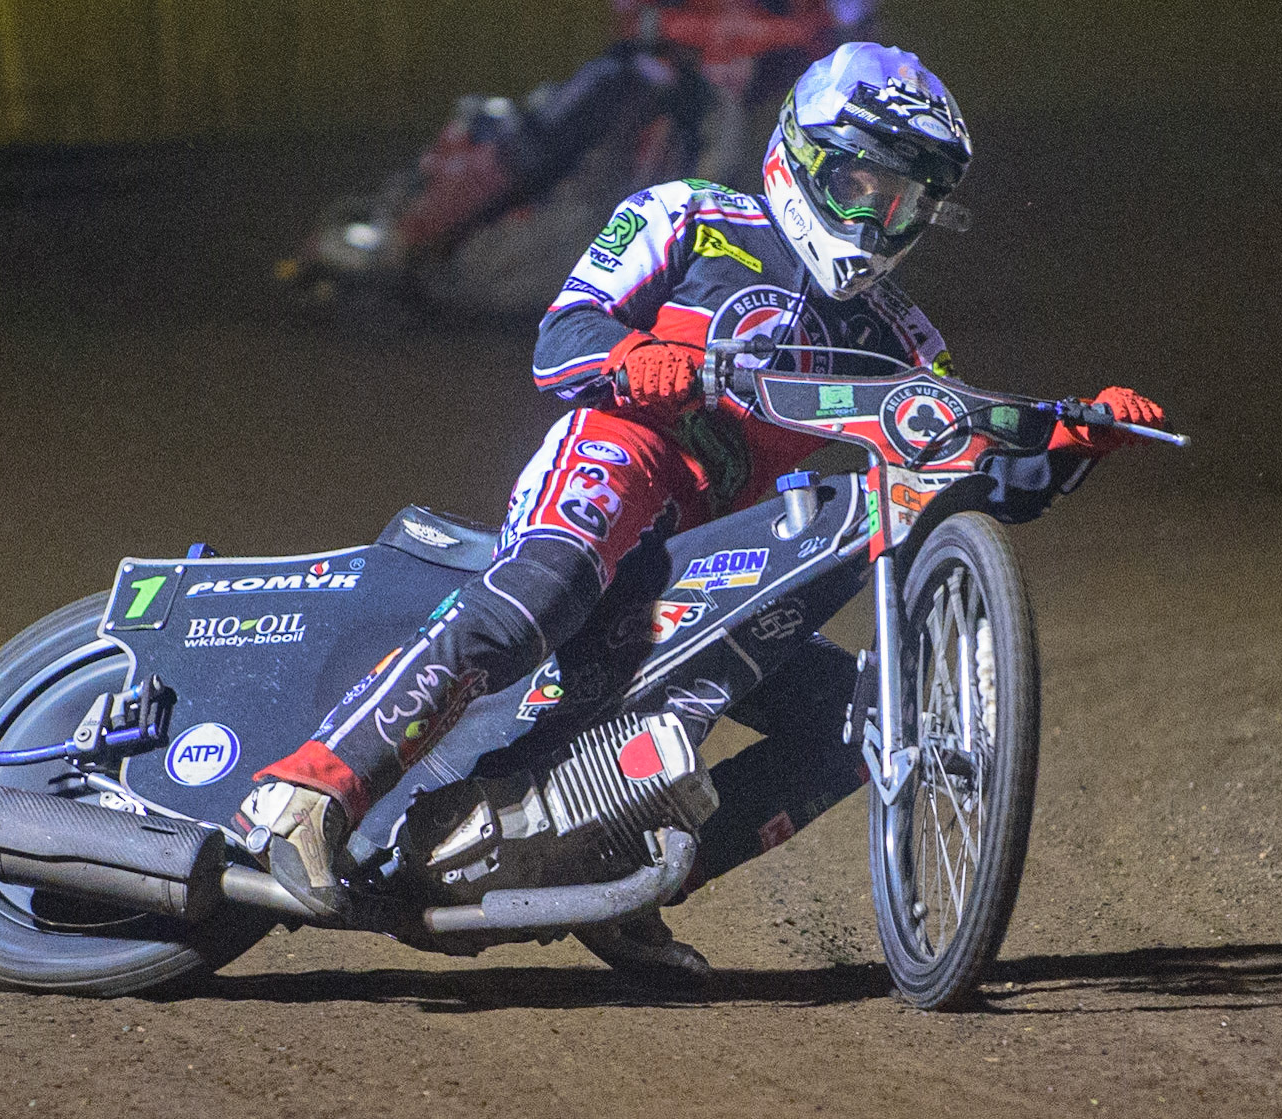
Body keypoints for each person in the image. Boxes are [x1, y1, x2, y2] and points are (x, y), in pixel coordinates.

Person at [242, 43, 1166, 974]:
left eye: (906, 202)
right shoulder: (685, 215)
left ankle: (627, 877)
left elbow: (964, 467)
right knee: (547, 581)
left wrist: (1068, 446)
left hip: (711, 558)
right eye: (860, 186)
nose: (879, 219)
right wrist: (633, 362)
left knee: (862, 719)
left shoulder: (897, 336)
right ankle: (312, 791)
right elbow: (560, 338)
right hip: (622, 456)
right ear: (800, 156)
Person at [308, 0, 875, 283]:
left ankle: (416, 238)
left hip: (777, 101)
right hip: (688, 87)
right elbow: (636, 20)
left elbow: (837, 28)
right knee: (596, 94)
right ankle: (419, 233)